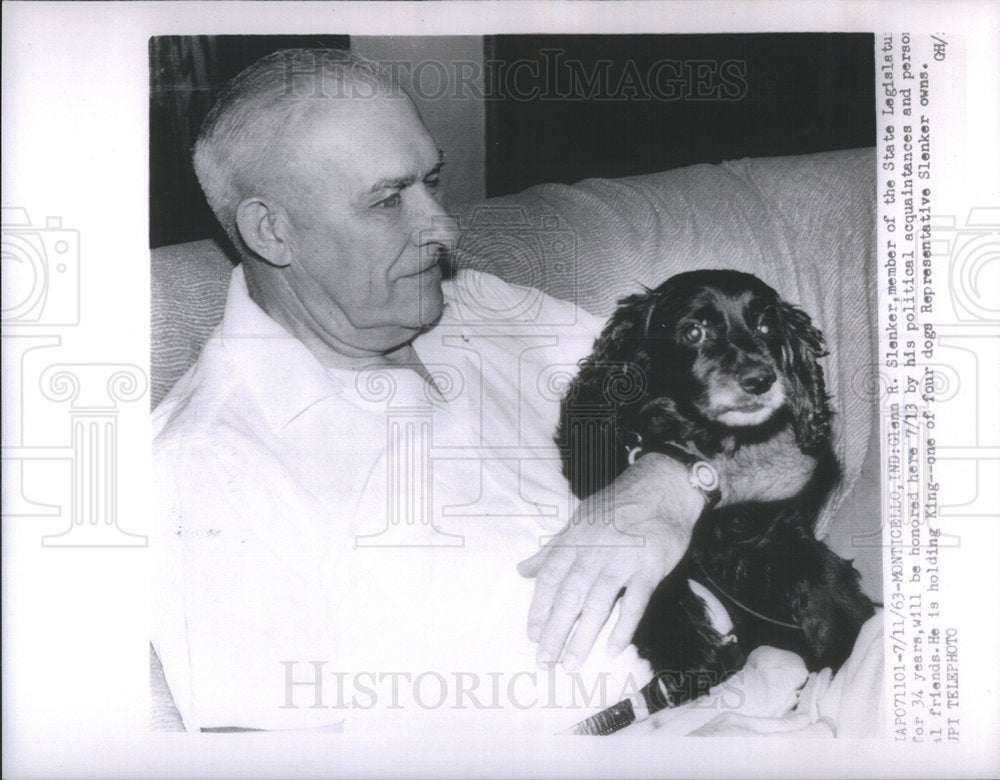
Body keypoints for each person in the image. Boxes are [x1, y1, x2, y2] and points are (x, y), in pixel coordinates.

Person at [152, 48, 818, 734]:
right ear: (271, 230)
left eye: (432, 181)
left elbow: (797, 440)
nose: (444, 227)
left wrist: (676, 480)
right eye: (387, 200)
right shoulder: (212, 461)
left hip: (773, 683)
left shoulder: (480, 303)